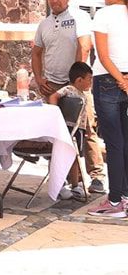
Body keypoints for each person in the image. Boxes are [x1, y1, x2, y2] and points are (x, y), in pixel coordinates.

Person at [32, 0, 104, 194]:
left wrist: (77, 81)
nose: (55, 0)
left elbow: (84, 46)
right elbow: (36, 52)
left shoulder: (79, 17)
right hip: (52, 84)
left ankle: (96, 175)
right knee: (58, 130)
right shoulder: (44, 24)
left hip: (78, 84)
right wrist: (39, 77)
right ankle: (62, 177)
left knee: (87, 127)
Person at [88, 0, 128, 218]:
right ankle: (124, 196)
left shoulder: (104, 15)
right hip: (125, 79)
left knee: (114, 143)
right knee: (125, 142)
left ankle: (114, 201)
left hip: (108, 81)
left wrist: (119, 80)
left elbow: (103, 56)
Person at [48, 61, 93, 202]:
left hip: (78, 130)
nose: (90, 83)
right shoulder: (68, 89)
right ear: (79, 80)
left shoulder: (83, 95)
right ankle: (59, 185)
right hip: (66, 127)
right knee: (59, 154)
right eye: (89, 79)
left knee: (74, 157)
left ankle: (75, 185)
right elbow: (53, 96)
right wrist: (56, 116)